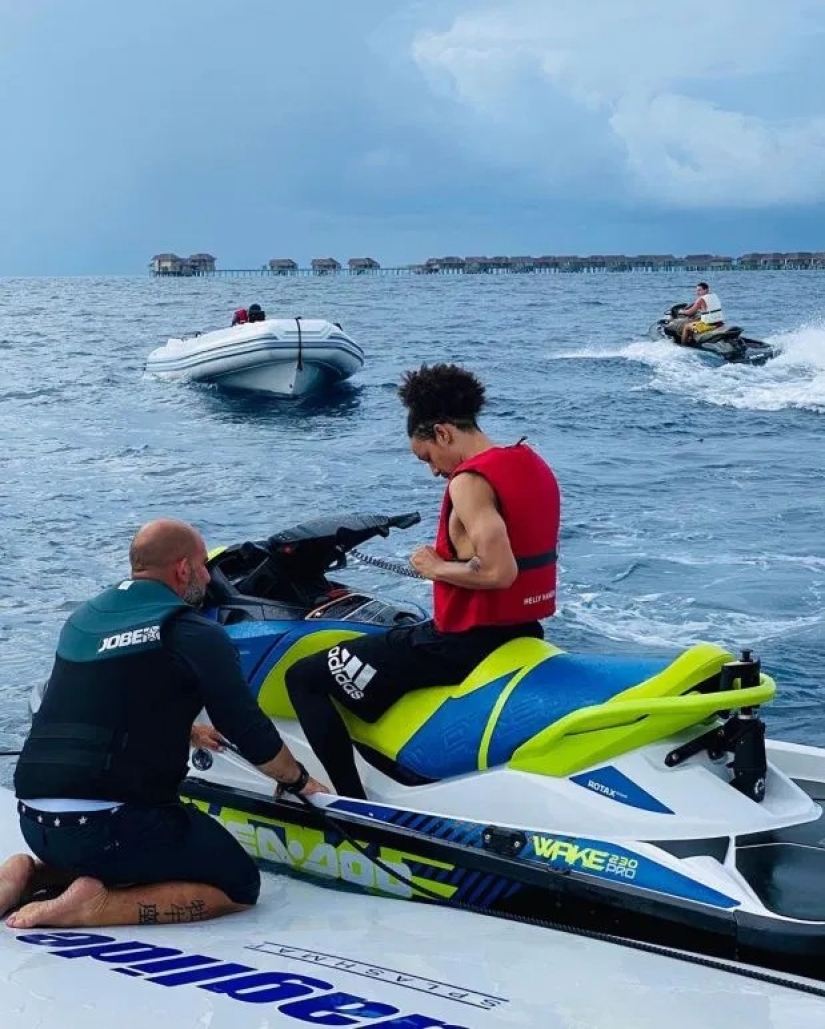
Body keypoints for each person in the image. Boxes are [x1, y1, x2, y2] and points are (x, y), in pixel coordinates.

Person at [0, 518, 328, 930]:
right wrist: (298, 781)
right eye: (204, 565)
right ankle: (93, 907)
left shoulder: (84, 619)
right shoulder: (192, 632)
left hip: (34, 821)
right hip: (108, 827)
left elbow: (93, 703)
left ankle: (31, 874)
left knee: (115, 849)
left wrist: (188, 730)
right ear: (182, 569)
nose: (210, 576)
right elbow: (248, 728)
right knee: (239, 886)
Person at [285, 363, 561, 799]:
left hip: (462, 644)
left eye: (427, 456)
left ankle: (348, 805)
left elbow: (498, 571)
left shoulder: (469, 482)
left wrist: (433, 567)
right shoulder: (530, 461)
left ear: (444, 433)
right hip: (523, 632)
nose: (433, 471)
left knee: (304, 676)